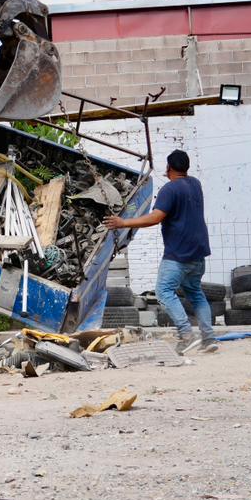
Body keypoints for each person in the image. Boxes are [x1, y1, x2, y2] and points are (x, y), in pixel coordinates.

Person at [103, 149, 215, 353]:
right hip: (198, 253)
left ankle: (186, 334)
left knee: (164, 292)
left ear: (169, 167)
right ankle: (209, 339)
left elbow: (155, 217)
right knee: (196, 293)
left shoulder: (170, 190)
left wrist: (123, 222)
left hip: (178, 254)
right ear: (187, 167)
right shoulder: (195, 184)